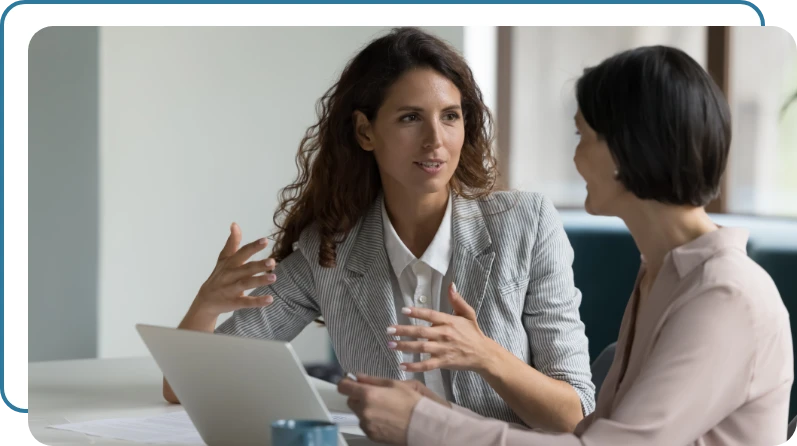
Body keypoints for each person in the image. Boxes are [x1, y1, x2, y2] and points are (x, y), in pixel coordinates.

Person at [337, 44, 794, 446]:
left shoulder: (724, 295)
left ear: (625, 152)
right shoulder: (662, 274)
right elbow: (593, 433)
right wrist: (434, 412)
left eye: (583, 136)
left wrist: (422, 425)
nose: (574, 156)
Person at [162, 26, 596, 431]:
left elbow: (577, 415)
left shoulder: (526, 224)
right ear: (365, 131)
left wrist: (488, 358)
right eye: (410, 118)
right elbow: (182, 388)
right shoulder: (328, 251)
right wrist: (206, 304)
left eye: (450, 116)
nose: (435, 140)